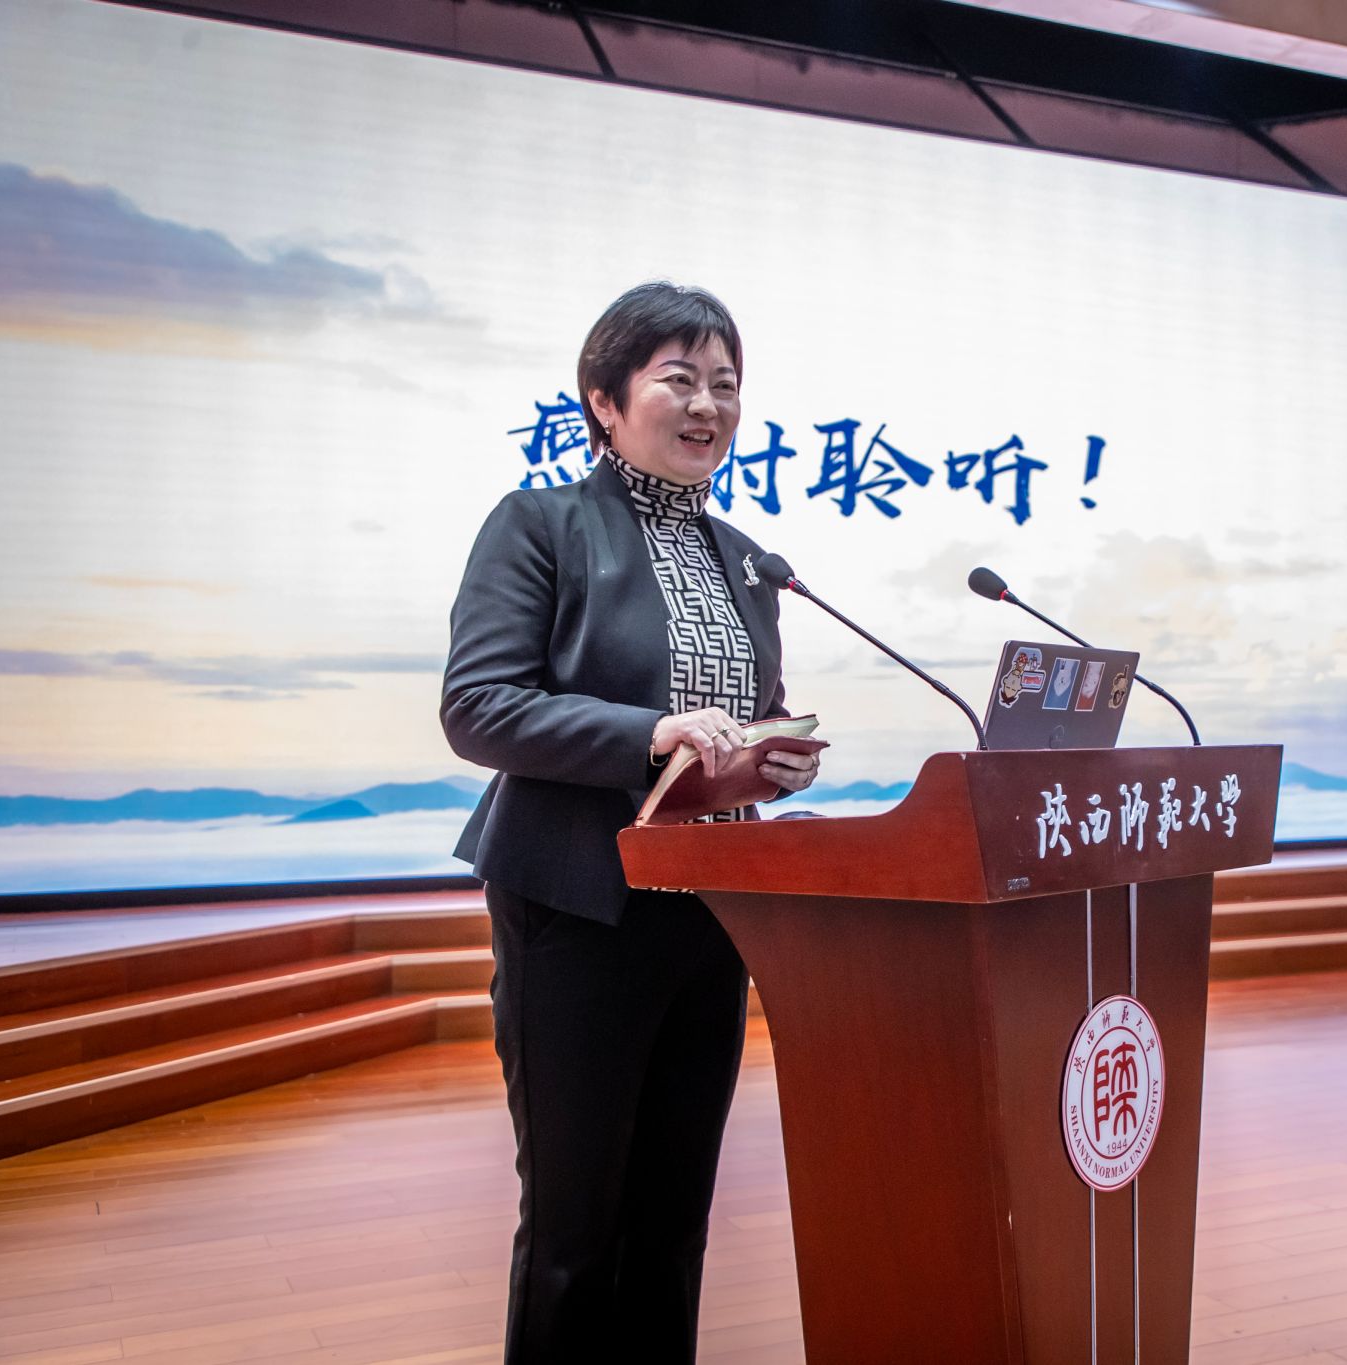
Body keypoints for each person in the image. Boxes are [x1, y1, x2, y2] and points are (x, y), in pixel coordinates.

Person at [440, 282, 818, 1362]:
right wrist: (650, 733)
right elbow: (477, 706)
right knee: (575, 1226)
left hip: (711, 917)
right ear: (604, 401)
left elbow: (733, 724)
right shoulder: (540, 526)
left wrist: (767, 761)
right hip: (577, 908)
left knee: (673, 1220)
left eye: (726, 385)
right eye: (679, 379)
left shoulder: (748, 560)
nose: (708, 405)